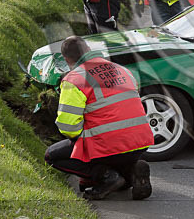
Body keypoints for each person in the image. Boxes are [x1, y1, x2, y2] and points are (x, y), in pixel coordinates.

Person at [44, 36, 154, 200]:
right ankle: (131, 171)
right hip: (140, 143)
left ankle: (107, 177)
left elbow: (68, 127)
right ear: (88, 50)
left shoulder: (75, 79)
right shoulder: (122, 70)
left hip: (110, 146)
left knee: (52, 155)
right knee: (113, 149)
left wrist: (84, 141)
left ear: (66, 60)